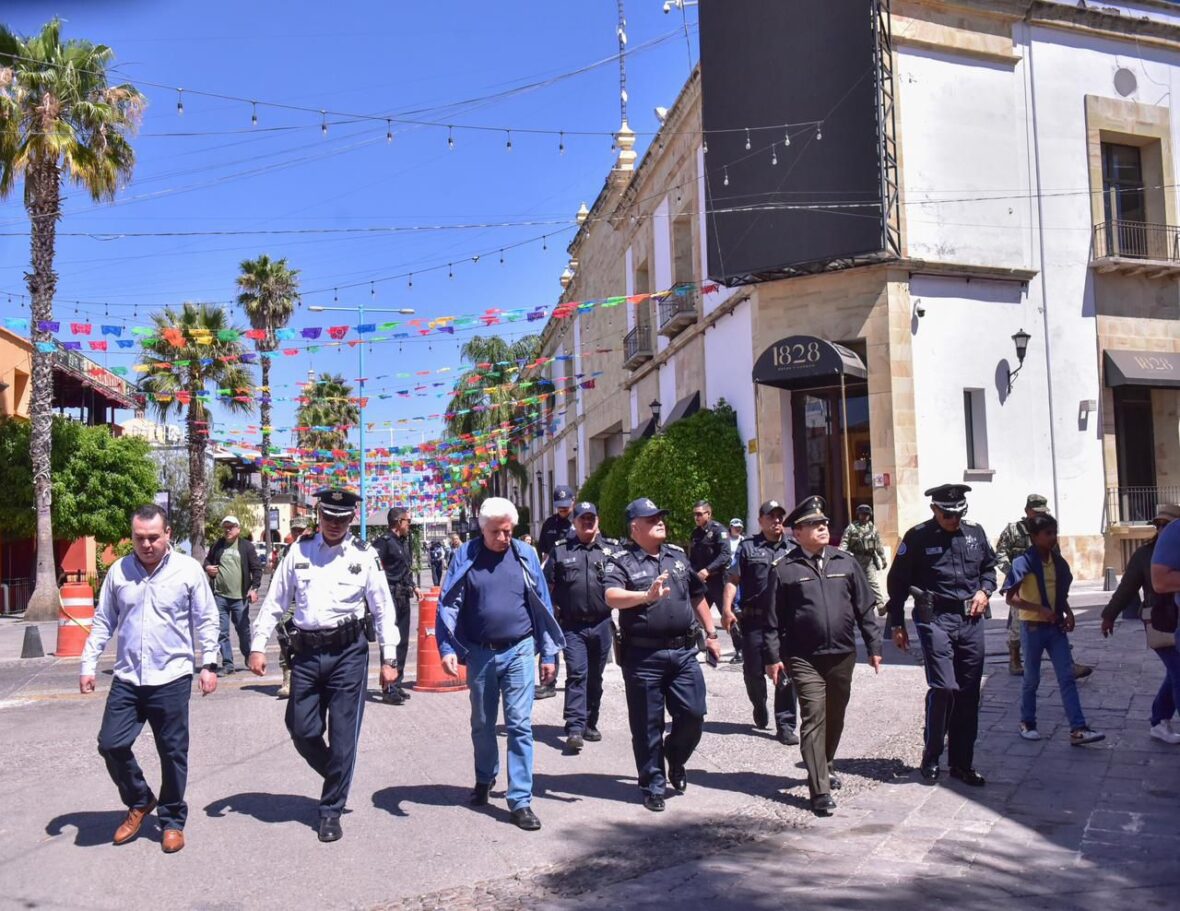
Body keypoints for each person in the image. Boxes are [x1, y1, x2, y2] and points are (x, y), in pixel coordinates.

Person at [248, 488, 400, 843]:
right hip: (306, 654)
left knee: (344, 737)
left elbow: (382, 608)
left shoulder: (365, 556)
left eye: (342, 519)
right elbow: (274, 602)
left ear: (351, 520)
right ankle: (337, 773)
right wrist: (257, 646)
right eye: (328, 517)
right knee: (301, 729)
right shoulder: (298, 552)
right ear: (318, 515)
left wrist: (389, 659)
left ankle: (331, 809)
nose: (334, 524)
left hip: (349, 654)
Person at [80, 504, 219, 854]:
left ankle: (172, 820)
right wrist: (88, 663)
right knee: (111, 744)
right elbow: (103, 621)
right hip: (127, 677)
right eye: (139, 538)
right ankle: (141, 800)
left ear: (168, 534)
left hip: (171, 677)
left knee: (172, 752)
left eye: (153, 537)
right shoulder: (119, 571)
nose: (146, 544)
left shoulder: (188, 571)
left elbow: (207, 619)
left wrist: (209, 664)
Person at [436, 497, 564, 831]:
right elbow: (448, 602)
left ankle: (520, 799)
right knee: (482, 721)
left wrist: (548, 654)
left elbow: (543, 604)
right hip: (480, 653)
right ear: (483, 529)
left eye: (509, 531)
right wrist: (447, 647)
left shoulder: (526, 554)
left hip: (520, 649)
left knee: (520, 724)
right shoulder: (465, 555)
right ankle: (484, 777)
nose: (504, 538)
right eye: (497, 532)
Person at [764, 496, 882, 816]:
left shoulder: (846, 562)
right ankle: (819, 790)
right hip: (803, 657)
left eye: (825, 523)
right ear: (797, 533)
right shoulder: (784, 569)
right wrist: (773, 658)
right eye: (814, 525)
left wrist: (874, 646)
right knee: (814, 715)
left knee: (835, 715)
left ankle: (825, 763)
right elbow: (771, 619)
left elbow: (865, 608)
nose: (823, 528)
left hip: (842, 654)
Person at [604, 498, 722, 812]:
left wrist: (711, 634)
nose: (660, 521)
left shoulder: (678, 557)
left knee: (694, 715)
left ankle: (675, 756)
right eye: (651, 518)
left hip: (683, 652)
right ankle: (653, 784)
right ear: (635, 527)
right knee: (647, 724)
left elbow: (697, 596)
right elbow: (611, 596)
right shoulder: (621, 561)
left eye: (660, 517)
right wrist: (646, 596)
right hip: (643, 656)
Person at [887, 483, 995, 786]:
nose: (953, 520)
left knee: (969, 693)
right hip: (934, 618)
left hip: (971, 620)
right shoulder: (918, 536)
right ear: (935, 510)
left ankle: (962, 763)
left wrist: (985, 591)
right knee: (945, 687)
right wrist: (896, 623)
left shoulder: (975, 532)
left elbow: (990, 569)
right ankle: (932, 755)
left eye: (958, 513)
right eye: (947, 514)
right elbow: (897, 583)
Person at [1003, 514, 1104, 746]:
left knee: (1067, 677)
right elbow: (1011, 598)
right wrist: (1038, 609)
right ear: (1034, 536)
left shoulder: (1058, 563)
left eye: (1054, 532)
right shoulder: (1023, 563)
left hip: (1055, 628)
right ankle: (1027, 722)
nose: (1052, 537)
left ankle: (1078, 728)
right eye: (1047, 533)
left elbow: (1059, 592)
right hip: (1033, 628)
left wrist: (1067, 611)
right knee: (1031, 679)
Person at [722, 499, 799, 745]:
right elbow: (733, 579)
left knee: (785, 671)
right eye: (770, 516)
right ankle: (759, 704)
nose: (776, 520)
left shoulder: (793, 548)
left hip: (785, 622)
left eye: (779, 516)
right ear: (760, 521)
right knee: (753, 672)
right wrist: (726, 608)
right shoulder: (747, 548)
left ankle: (785, 724)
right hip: (755, 619)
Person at [545, 501, 619, 752]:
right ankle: (574, 727)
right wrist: (551, 613)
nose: (588, 522)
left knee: (595, 678)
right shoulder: (561, 551)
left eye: (592, 518)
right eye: (583, 519)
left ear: (597, 521)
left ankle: (590, 722)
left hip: (601, 624)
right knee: (577, 673)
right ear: (574, 522)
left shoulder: (611, 551)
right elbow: (546, 587)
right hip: (572, 626)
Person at [1102, 504, 1180, 744]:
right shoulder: (1144, 554)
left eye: (1167, 524)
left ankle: (1158, 720)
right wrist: (1109, 614)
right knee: (1178, 671)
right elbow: (1127, 587)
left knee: (1175, 672)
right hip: (1160, 620)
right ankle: (1159, 721)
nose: (1161, 528)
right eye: (1158, 524)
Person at [995, 494, 1092, 679]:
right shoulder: (1013, 530)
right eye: (1036, 511)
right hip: (1023, 584)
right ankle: (1015, 660)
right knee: (1017, 623)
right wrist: (1015, 576)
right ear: (1027, 510)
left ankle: (1068, 664)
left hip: (1046, 582)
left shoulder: (1048, 530)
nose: (1039, 514)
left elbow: (1056, 557)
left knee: (1055, 620)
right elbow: (999, 554)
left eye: (1042, 512)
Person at [202, 515, 262, 675]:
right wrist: (208, 568)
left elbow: (256, 569)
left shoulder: (246, 547)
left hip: (240, 597)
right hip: (219, 596)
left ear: (238, 529)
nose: (228, 530)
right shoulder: (218, 545)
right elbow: (206, 562)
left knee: (243, 630)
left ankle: (248, 656)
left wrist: (254, 588)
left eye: (231, 527)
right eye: (225, 527)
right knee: (222, 632)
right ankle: (228, 664)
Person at [374, 506, 419, 705]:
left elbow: (405, 570)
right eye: (407, 521)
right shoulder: (383, 543)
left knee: (402, 641)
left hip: (402, 596)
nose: (409, 524)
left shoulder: (403, 542)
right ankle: (388, 686)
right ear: (398, 522)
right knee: (390, 641)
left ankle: (397, 681)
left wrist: (413, 586)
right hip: (389, 596)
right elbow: (374, 569)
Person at [690, 500, 736, 659]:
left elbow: (725, 555)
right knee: (695, 615)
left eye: (700, 514)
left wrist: (708, 570)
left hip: (718, 580)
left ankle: (741, 649)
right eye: (695, 514)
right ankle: (700, 648)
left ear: (708, 514)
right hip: (702, 582)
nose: (696, 517)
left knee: (728, 613)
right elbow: (693, 558)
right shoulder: (696, 534)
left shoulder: (719, 531)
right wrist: (693, 573)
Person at [275, 516, 311, 699]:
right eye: (295, 530)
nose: (299, 534)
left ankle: (307, 678)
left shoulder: (313, 549)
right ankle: (287, 679)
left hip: (308, 600)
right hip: (290, 601)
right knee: (285, 638)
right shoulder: (286, 552)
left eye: (302, 530)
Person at [838, 504, 887, 616]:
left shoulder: (872, 528)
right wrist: (840, 555)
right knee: (854, 583)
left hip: (869, 560)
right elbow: (845, 542)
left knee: (873, 582)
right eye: (862, 514)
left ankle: (880, 605)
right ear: (858, 515)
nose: (864, 517)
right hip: (855, 559)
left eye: (866, 515)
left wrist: (883, 559)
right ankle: (852, 605)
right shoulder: (852, 528)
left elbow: (878, 545)